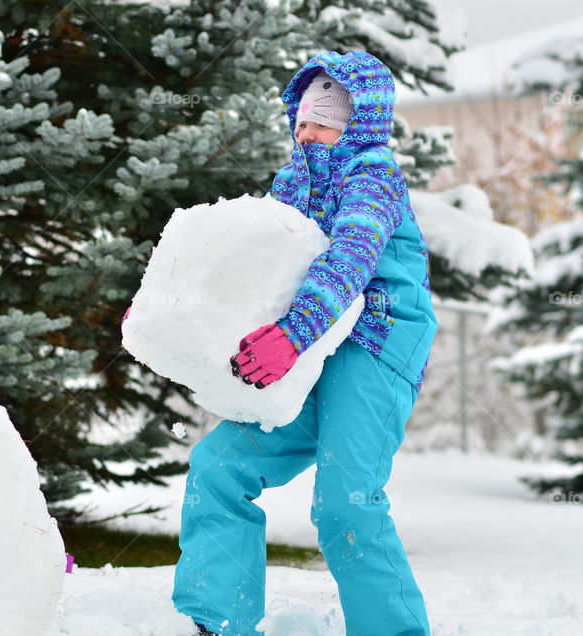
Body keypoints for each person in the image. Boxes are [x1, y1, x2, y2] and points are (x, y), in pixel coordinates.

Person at [171, 50, 438, 636]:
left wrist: (291, 336)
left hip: (377, 340)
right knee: (217, 468)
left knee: (346, 502)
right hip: (314, 347)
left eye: (324, 123)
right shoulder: (292, 183)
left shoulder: (375, 178)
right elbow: (251, 261)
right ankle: (219, 623)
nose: (309, 134)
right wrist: (170, 304)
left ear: (357, 124)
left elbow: (349, 260)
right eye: (303, 123)